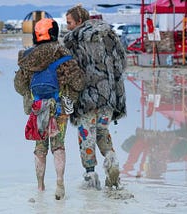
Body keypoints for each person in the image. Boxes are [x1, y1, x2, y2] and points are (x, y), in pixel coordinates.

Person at [14, 18, 86, 200]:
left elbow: (19, 86)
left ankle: (40, 187)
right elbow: (79, 82)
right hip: (59, 108)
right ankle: (60, 182)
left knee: (40, 148)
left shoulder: (27, 57)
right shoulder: (63, 54)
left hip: (37, 108)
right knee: (58, 145)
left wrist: (32, 97)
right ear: (54, 33)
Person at [63, 5, 127, 189]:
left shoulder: (72, 41)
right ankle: (112, 161)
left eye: (69, 23)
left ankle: (91, 175)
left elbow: (68, 73)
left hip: (85, 98)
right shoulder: (109, 35)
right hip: (107, 96)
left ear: (79, 21)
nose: (67, 27)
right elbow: (121, 63)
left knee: (86, 135)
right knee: (102, 132)